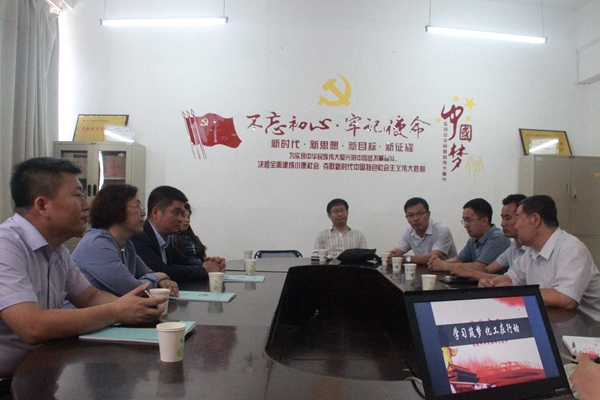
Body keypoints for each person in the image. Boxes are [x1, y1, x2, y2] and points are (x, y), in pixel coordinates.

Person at [0, 157, 164, 382]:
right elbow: (32, 326)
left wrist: (138, 308)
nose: (86, 206)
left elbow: (90, 297)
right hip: (9, 382)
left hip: (45, 370)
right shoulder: (6, 246)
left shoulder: (57, 250)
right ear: (43, 205)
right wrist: (117, 311)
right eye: (78, 196)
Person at [479, 195, 600, 320]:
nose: (515, 226)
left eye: (518, 219)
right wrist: (491, 285)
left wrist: (516, 292)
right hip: (554, 321)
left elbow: (566, 298)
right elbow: (510, 278)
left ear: (535, 220)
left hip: (589, 327)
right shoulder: (532, 251)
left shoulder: (571, 248)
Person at [72, 184, 179, 297]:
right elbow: (133, 289)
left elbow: (147, 273)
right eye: (137, 206)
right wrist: (157, 277)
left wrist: (160, 280)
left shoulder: (126, 244)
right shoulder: (97, 244)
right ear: (116, 209)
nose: (143, 213)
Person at [131, 186, 225, 282]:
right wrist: (204, 270)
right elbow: (161, 271)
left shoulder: (166, 239)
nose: (181, 219)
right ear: (156, 213)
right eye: (176, 213)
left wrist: (212, 264)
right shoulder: (139, 237)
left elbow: (184, 261)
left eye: (182, 214)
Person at [449, 194, 528, 280]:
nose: (502, 223)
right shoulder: (514, 247)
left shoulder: (499, 238)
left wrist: (469, 272)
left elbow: (509, 280)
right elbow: (487, 270)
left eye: (508, 218)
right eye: (502, 218)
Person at [428, 198, 510, 272]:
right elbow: (459, 260)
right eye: (464, 221)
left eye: (469, 220)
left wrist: (444, 266)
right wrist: (437, 263)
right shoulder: (473, 239)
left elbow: (480, 267)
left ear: (484, 221)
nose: (466, 225)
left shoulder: (498, 238)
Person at [388, 197, 457, 265]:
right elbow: (396, 252)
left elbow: (433, 257)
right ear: (407, 218)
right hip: (423, 270)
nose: (416, 219)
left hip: (447, 270)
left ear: (428, 214)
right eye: (411, 215)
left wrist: (406, 259)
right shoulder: (409, 232)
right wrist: (390, 256)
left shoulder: (441, 230)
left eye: (420, 214)